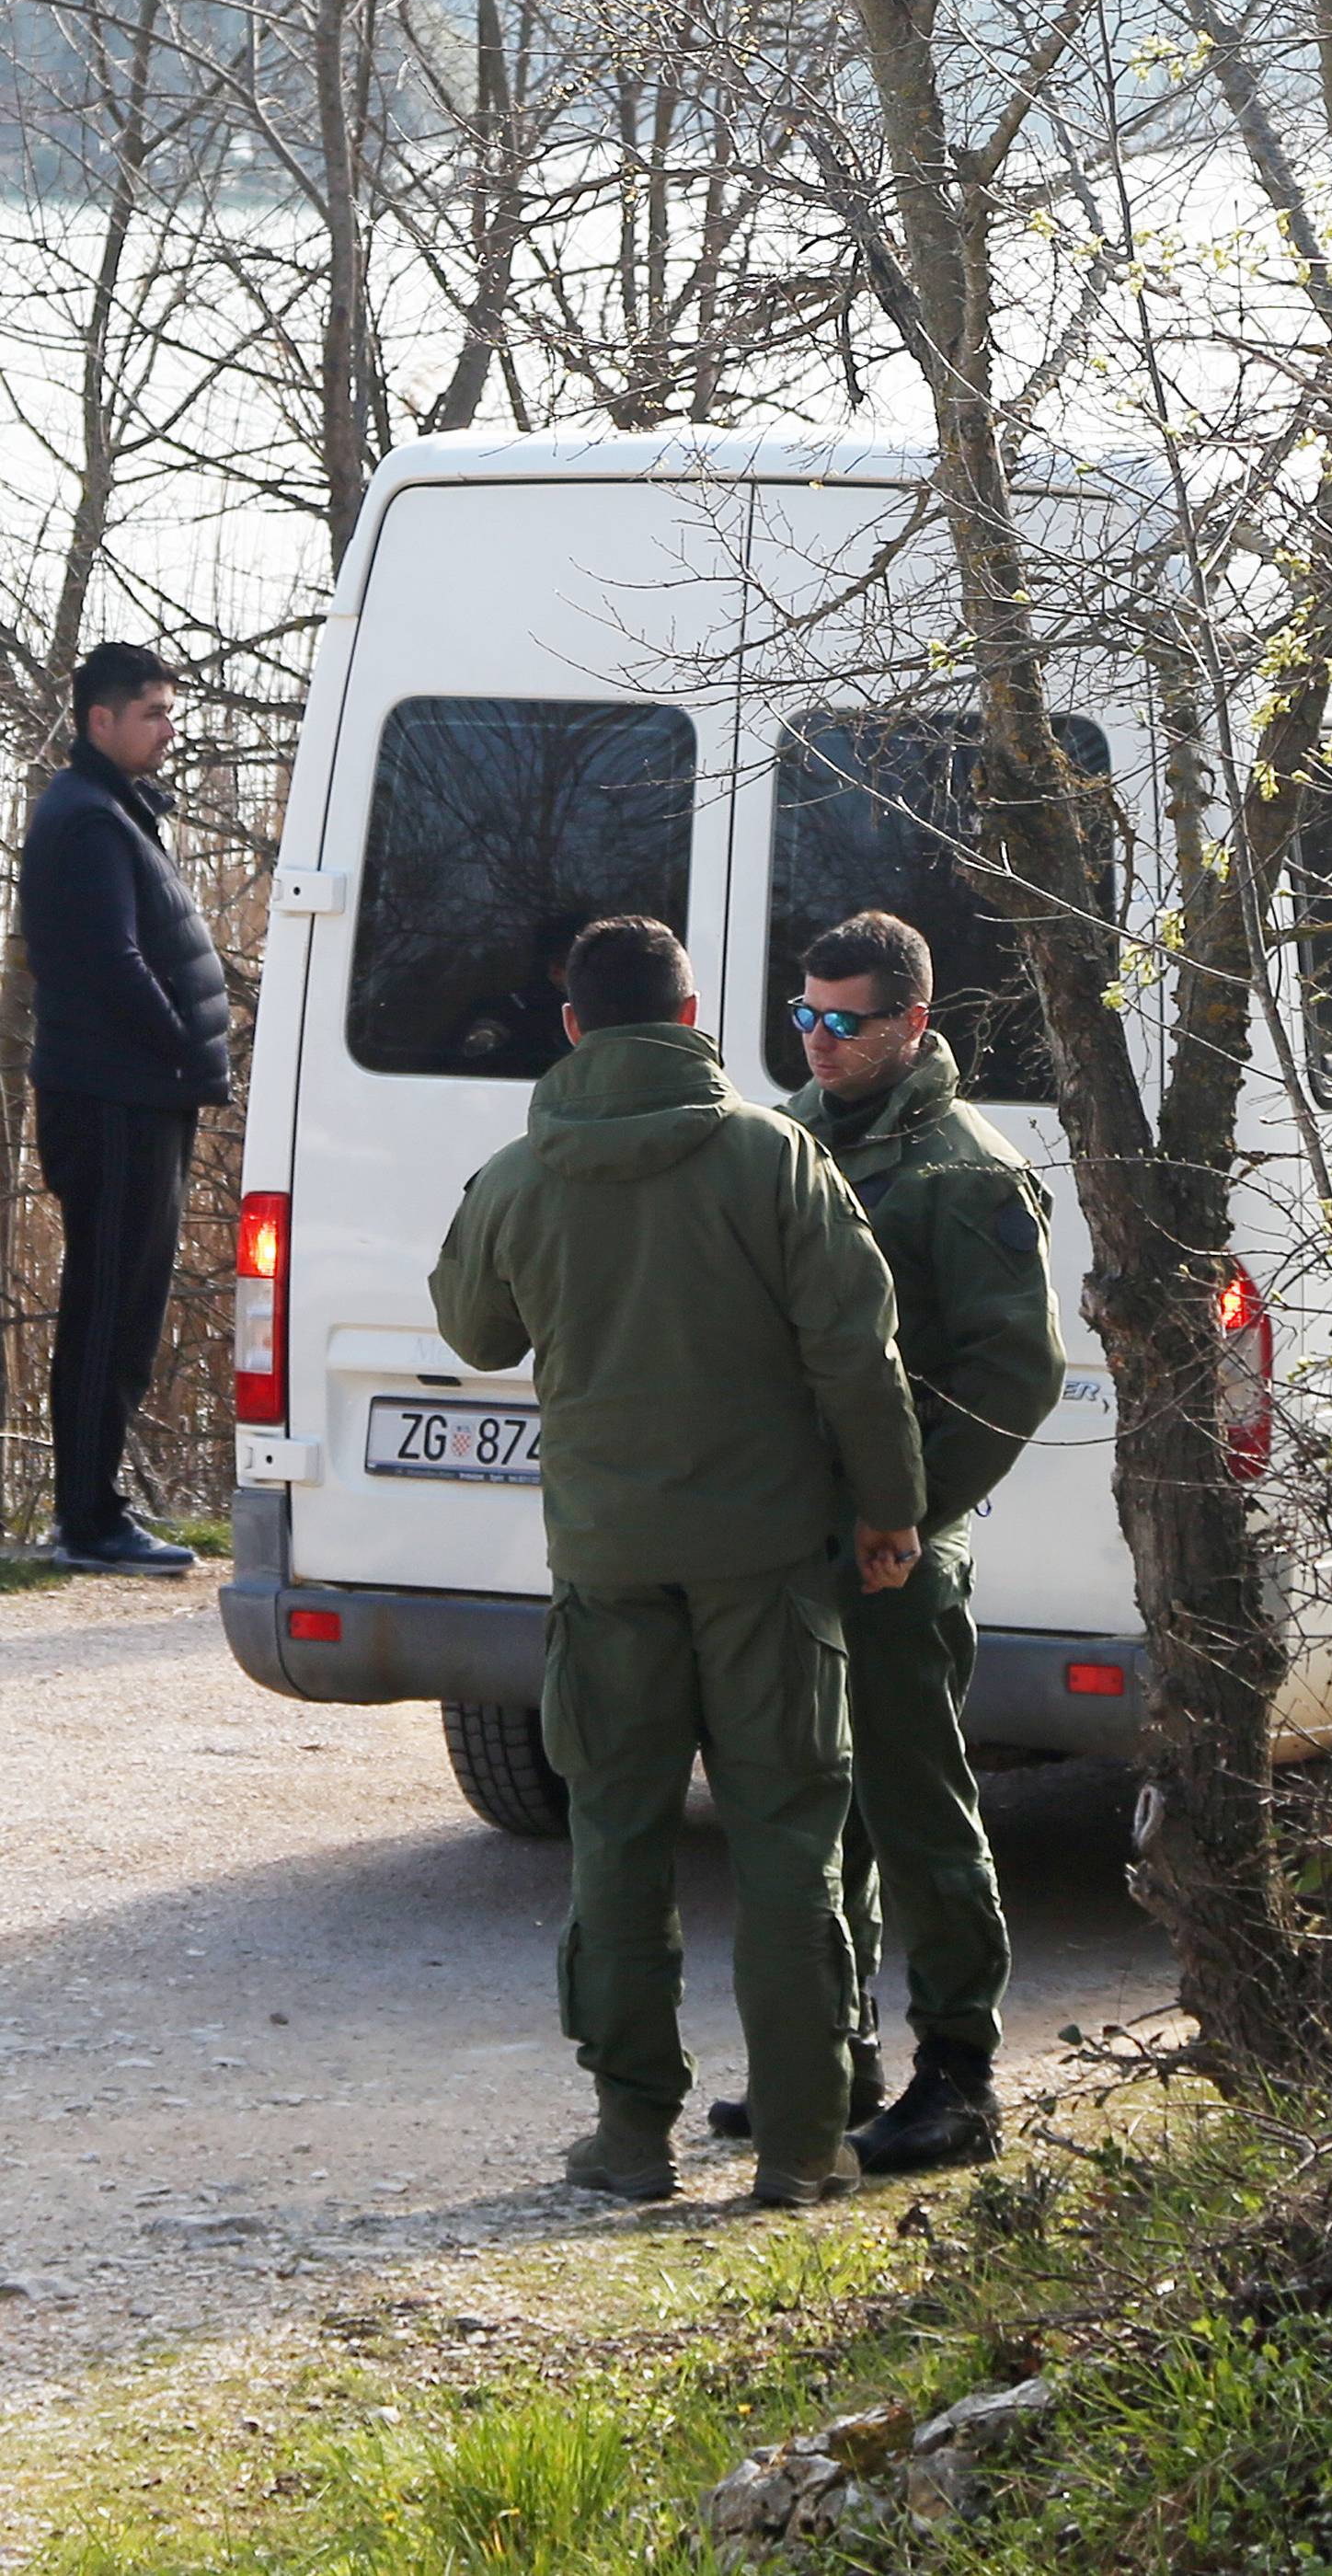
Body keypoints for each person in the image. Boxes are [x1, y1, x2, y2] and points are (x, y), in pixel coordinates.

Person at [429, 914, 926, 2210]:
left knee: (619, 1840)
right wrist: (889, 1510)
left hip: (608, 1561)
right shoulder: (777, 1158)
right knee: (787, 1840)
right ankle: (804, 2141)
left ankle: (631, 2134)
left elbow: (474, 1333)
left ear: (574, 1027)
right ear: (697, 1017)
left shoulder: (521, 1174)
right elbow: (858, 1354)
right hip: (767, 1558)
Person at [709, 911, 1065, 2172]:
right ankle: (834, 2055)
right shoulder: (794, 1142)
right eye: (802, 1017)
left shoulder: (965, 1172)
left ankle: (960, 2076)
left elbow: (1014, 1371)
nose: (816, 1041)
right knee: (820, 1807)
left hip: (900, 1548)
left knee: (916, 1806)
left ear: (911, 1024)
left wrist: (907, 1516)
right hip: (797, 1536)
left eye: (842, 1022)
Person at [19, 642, 231, 1575]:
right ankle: (89, 1519)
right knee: (108, 1306)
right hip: (114, 1099)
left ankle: (97, 1507)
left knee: (128, 1305)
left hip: (136, 1095)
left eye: (168, 710)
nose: (167, 727)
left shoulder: (110, 812)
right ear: (99, 722)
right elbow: (113, 962)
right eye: (151, 711)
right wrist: (181, 1048)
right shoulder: (90, 821)